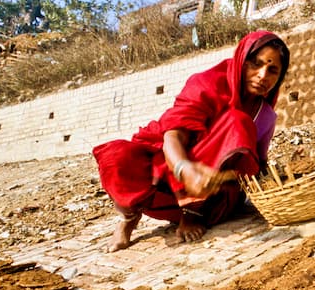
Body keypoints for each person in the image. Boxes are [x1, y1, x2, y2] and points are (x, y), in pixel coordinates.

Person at [93, 30, 290, 252]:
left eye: (272, 70)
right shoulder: (206, 83)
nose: (263, 75)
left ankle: (192, 212)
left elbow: (257, 164)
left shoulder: (264, 115)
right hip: (169, 184)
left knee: (237, 121)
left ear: (279, 78)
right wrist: (184, 169)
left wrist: (284, 183)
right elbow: (173, 136)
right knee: (117, 155)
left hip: (213, 201)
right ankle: (128, 218)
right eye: (255, 64)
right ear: (240, 61)